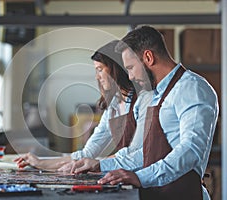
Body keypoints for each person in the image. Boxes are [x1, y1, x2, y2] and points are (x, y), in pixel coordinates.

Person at [70, 25, 219, 200]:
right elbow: (149, 152)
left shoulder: (191, 88)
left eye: (131, 67)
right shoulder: (158, 94)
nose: (130, 76)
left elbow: (191, 150)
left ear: (148, 57)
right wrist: (103, 166)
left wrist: (141, 177)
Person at [14, 40, 151, 172]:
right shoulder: (113, 107)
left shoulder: (143, 99)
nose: (97, 77)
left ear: (115, 68)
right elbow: (87, 153)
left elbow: (134, 153)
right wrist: (40, 162)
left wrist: (98, 164)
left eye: (100, 69)